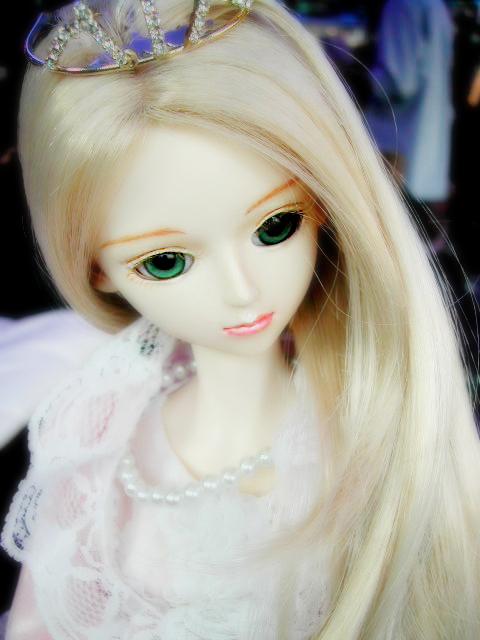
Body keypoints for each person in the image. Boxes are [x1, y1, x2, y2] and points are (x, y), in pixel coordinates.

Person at [1, 0, 480, 637]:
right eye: (166, 261)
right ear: (96, 270)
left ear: (326, 206)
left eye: (275, 226)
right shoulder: (94, 437)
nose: (241, 290)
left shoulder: (386, 440)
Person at [363, 0, 455, 253]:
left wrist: (351, 69)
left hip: (399, 149)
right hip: (422, 154)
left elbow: (399, 81)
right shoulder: (435, 5)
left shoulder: (402, 4)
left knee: (393, 245)